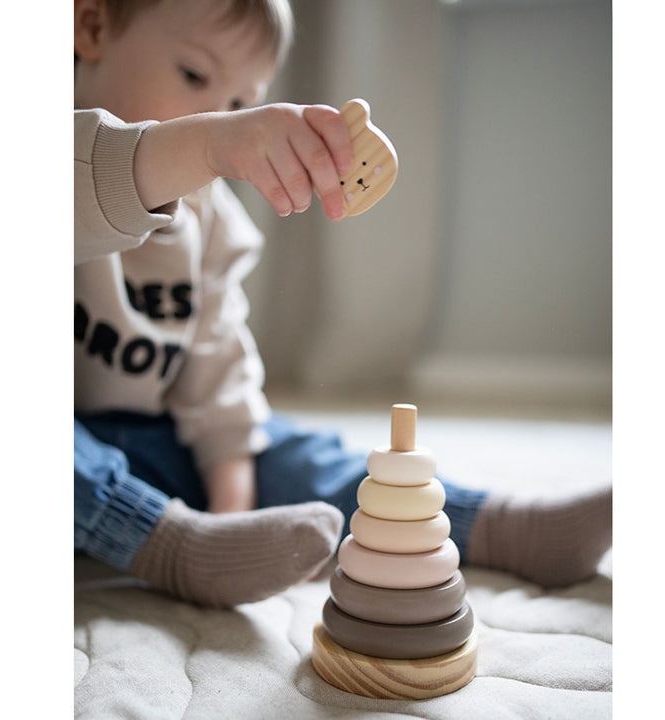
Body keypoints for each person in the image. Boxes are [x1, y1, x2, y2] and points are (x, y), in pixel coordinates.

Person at [74, 0, 612, 608]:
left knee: (294, 454)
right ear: (91, 28)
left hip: (157, 442)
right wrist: (204, 145)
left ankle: (508, 527)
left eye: (237, 107)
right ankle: (173, 547)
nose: (217, 119)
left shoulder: (213, 222)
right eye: (196, 77)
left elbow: (219, 377)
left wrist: (233, 507)